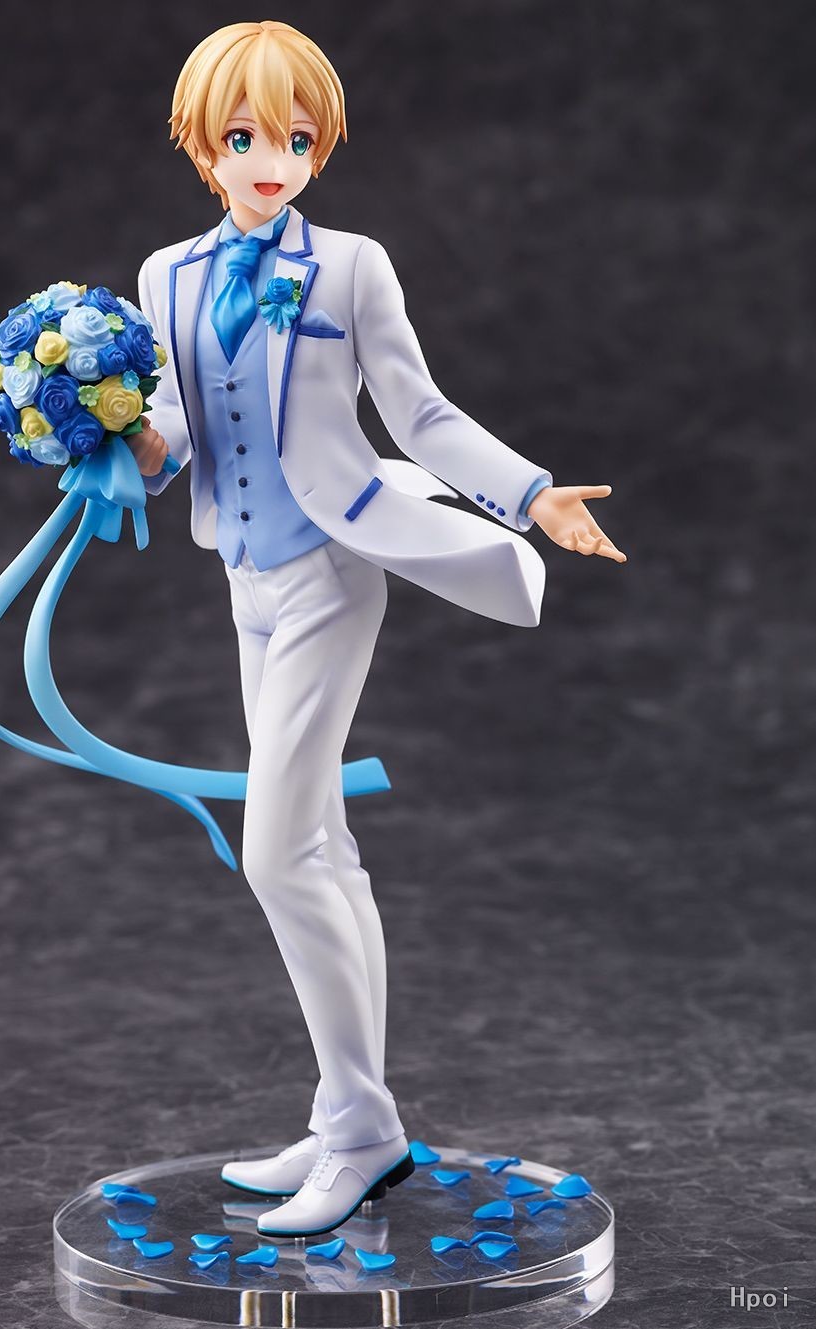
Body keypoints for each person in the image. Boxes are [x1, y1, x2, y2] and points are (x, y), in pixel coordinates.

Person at [127, 20, 626, 1240]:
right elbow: (175, 428)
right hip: (241, 577)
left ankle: (358, 1131)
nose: (272, 162)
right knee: (323, 851)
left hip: (330, 572)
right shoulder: (166, 276)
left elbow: (420, 413)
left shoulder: (351, 267)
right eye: (244, 138)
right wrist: (99, 430)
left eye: (295, 139)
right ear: (201, 146)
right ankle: (351, 1114)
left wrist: (530, 495)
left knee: (274, 854)